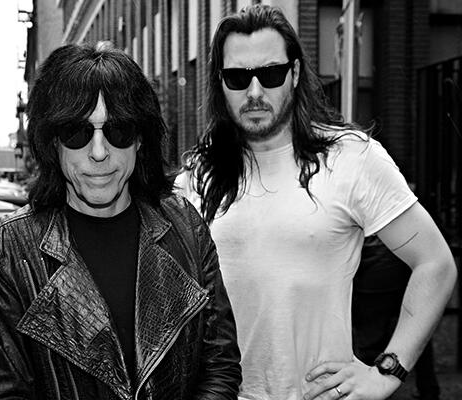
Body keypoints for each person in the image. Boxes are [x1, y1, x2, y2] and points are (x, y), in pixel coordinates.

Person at [175, 4, 457, 400]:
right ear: (220, 83)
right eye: (237, 77)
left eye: (270, 74)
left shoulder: (351, 157)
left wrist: (387, 371)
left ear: (294, 74)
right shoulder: (198, 177)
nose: (254, 92)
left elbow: (436, 264)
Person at [0, 43, 241, 399]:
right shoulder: (4, 252)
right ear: (53, 143)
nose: (99, 152)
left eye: (118, 130)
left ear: (140, 139)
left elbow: (220, 365)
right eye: (77, 132)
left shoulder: (185, 225)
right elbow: (3, 392)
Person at [353, 236, 441, 400]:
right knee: (417, 332)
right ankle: (428, 390)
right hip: (405, 268)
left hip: (374, 271)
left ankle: (372, 392)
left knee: (371, 340)